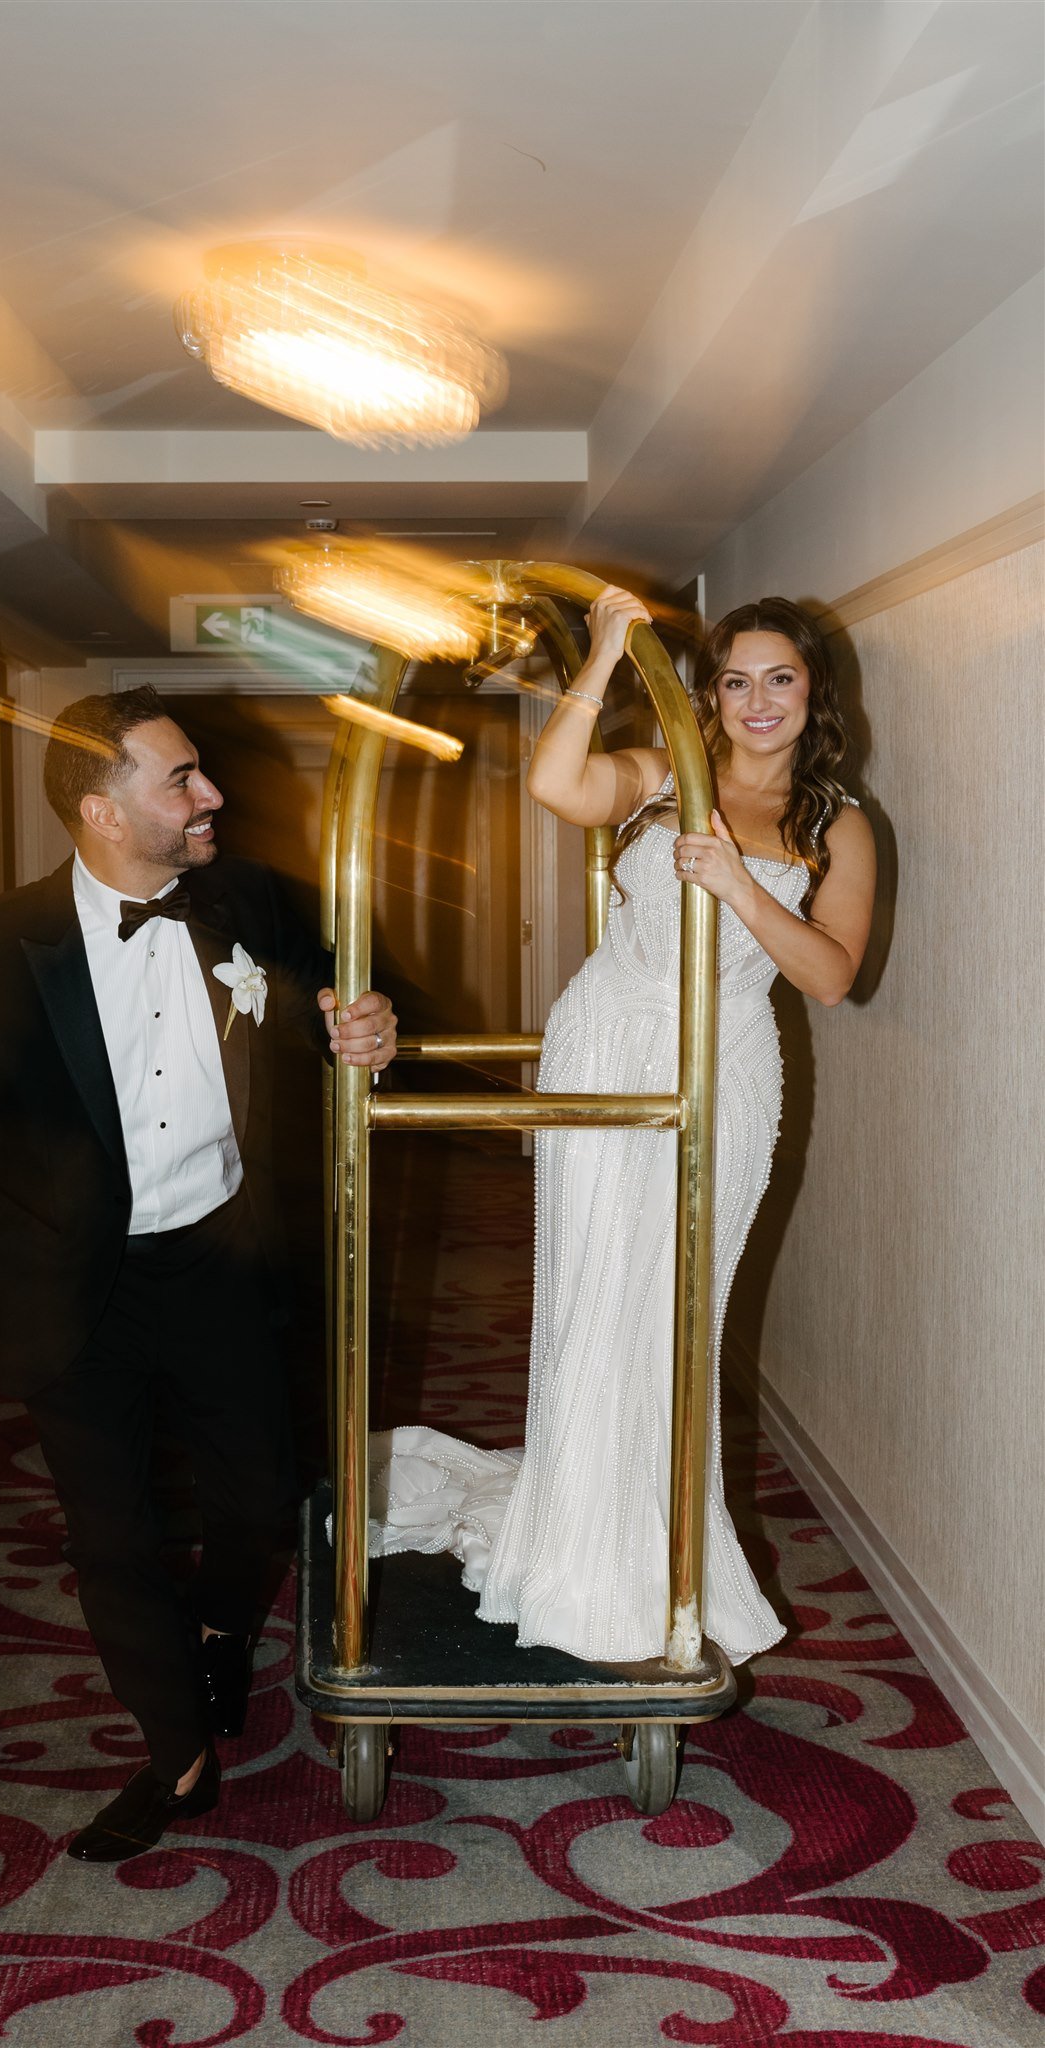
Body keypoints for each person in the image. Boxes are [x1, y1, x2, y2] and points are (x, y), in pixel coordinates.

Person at [0, 687, 398, 1863]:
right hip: (69, 1277)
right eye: (181, 779)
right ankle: (177, 1754)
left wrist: (362, 1023)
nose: (212, 796)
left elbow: (329, 989)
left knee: (262, 1499)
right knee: (113, 1531)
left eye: (203, 772)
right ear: (101, 810)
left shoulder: (242, 898)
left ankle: (214, 1631)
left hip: (221, 1252)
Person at [368, 588, 875, 1666]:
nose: (756, 700)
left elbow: (830, 975)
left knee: (677, 1314)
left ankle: (664, 1555)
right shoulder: (664, 773)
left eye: (780, 676)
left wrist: (739, 880)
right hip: (604, 1043)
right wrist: (603, 654)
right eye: (734, 679)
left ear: (814, 689)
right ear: (711, 694)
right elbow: (558, 782)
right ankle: (580, 1549)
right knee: (595, 1296)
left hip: (728, 1061)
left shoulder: (839, 824)